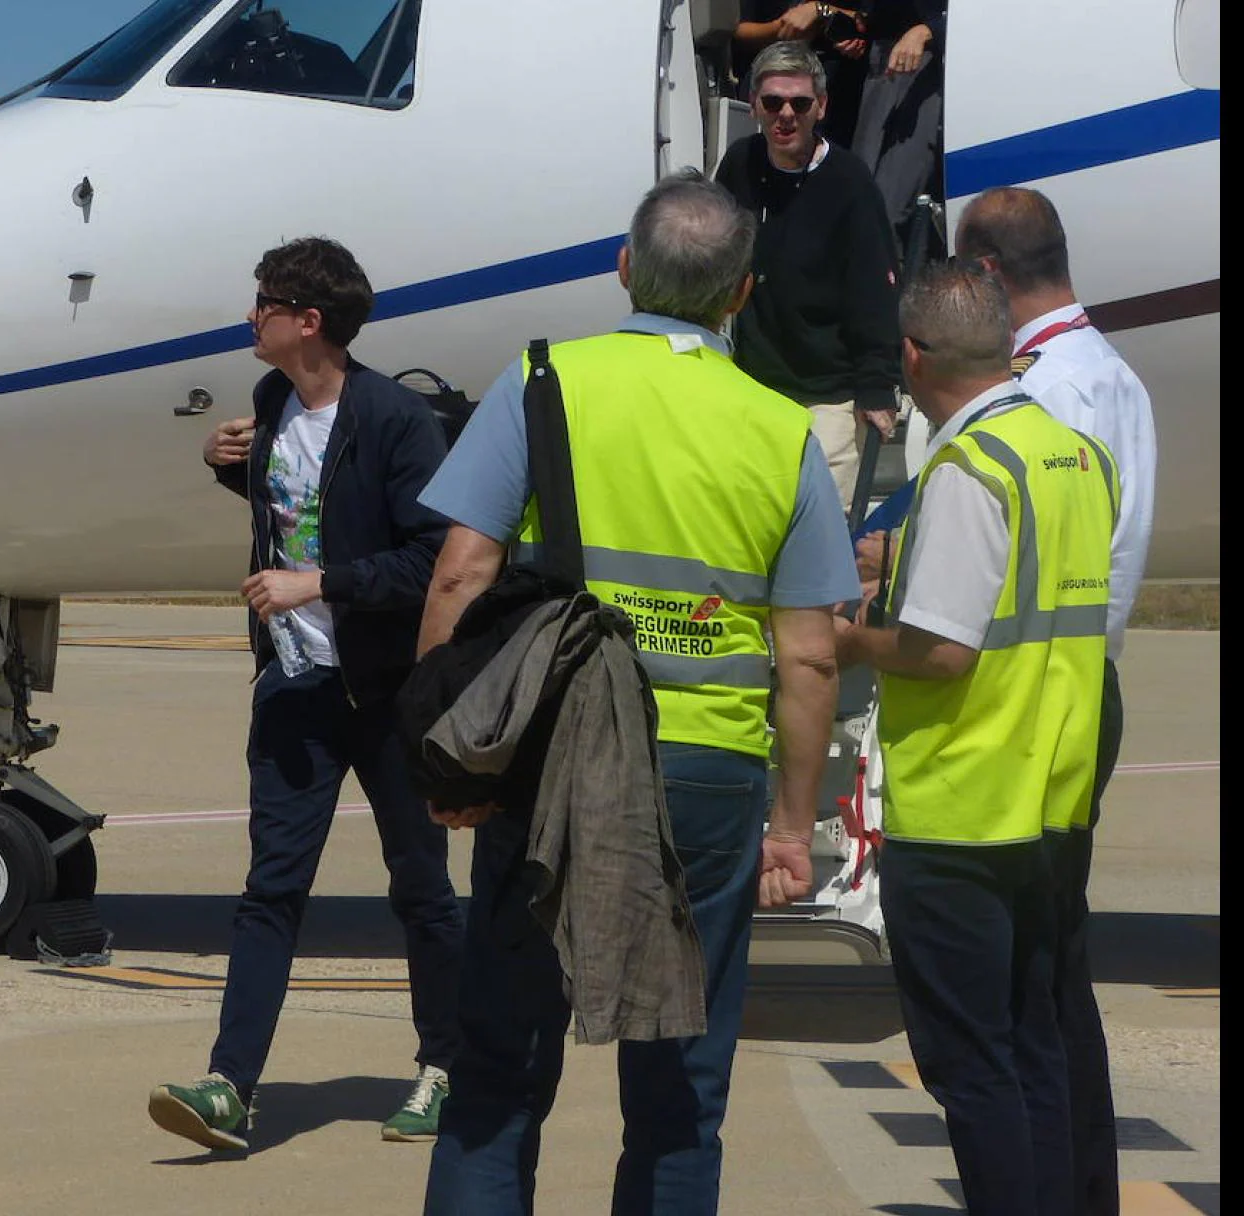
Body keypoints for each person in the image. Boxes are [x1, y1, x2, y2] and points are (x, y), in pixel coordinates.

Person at [415, 172, 855, 1215]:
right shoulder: (781, 429)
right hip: (704, 776)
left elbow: (460, 572)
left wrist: (443, 754)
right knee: (677, 1100)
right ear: (741, 293)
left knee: (498, 1080)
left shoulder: (542, 382)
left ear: (623, 271)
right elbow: (810, 657)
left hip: (552, 761)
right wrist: (792, 827)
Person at [147, 237, 465, 1151]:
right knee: (270, 889)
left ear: (307, 321)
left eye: (265, 302)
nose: (252, 315)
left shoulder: (397, 419)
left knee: (422, 889)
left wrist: (316, 584)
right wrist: (227, 468)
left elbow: (428, 558)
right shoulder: (272, 399)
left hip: (389, 692)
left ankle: (444, 1066)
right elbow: (297, 506)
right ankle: (229, 1087)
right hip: (294, 685)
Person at [835, 264, 1119, 1215]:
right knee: (1035, 1042)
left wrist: (849, 638)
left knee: (972, 1066)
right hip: (1050, 796)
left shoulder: (968, 471)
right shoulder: (1074, 454)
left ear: (912, 358)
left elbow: (942, 651)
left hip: (963, 813)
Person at [957, 185, 1158, 1215]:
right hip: (1092, 680)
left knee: (1019, 980)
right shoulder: (1111, 374)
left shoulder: (1046, 393)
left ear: (989, 277)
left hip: (1041, 693)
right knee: (1054, 963)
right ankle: (1081, 1187)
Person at [715, 40, 903, 508]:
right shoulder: (739, 165)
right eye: (772, 102)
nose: (785, 115)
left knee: (827, 540)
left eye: (799, 103)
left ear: (820, 107)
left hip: (830, 401)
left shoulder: (850, 184)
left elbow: (875, 295)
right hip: (754, 394)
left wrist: (878, 387)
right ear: (754, 105)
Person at [851, 1, 946, 249]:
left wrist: (929, 30)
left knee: (888, 210)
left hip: (930, 66)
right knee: (859, 204)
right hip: (880, 60)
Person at [731, 9, 868, 146]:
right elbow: (738, 29)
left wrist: (822, 11)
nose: (787, 113)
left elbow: (869, 21)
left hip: (839, 87)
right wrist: (784, 26)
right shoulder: (738, 155)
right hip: (769, 76)